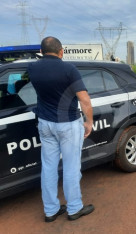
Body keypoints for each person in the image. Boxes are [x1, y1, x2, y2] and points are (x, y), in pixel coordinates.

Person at [28, 36, 94, 222]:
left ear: (41, 52)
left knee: (48, 167)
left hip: (45, 123)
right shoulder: (68, 69)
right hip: (68, 124)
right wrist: (89, 122)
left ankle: (51, 211)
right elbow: (85, 100)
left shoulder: (32, 68)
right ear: (61, 51)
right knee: (71, 167)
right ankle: (74, 209)